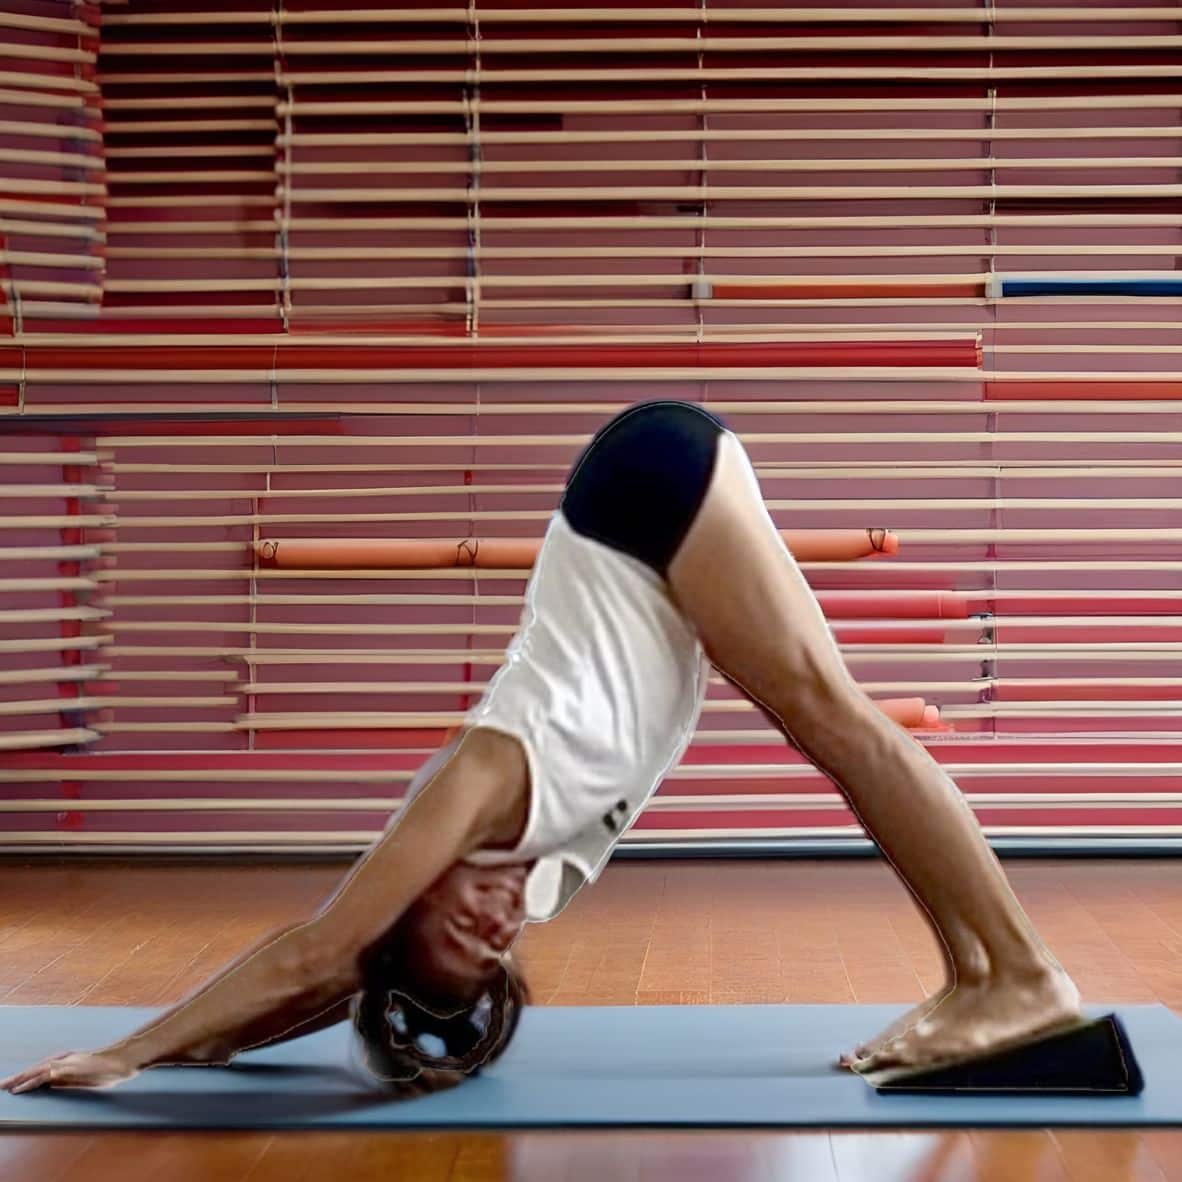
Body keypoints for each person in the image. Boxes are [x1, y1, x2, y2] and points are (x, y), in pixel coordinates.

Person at [2, 400, 1082, 1098]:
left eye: (457, 926)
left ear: (410, 896)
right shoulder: (540, 870)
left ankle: (1018, 975)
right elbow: (336, 989)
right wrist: (216, 1049)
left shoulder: (483, 780)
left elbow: (325, 955)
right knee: (827, 724)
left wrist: (137, 1047)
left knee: (836, 721)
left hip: (639, 500)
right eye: (493, 948)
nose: (496, 920)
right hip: (647, 529)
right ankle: (974, 976)